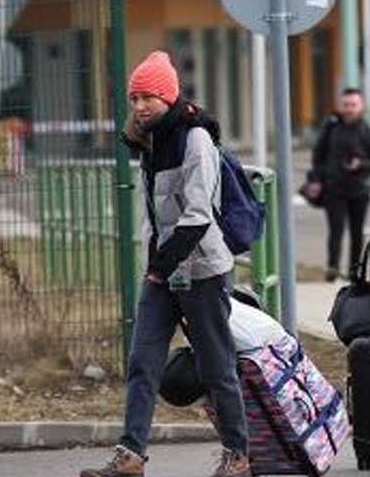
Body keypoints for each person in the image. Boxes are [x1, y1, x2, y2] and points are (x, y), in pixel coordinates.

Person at [82, 51, 250, 477]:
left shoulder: (194, 139)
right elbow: (155, 212)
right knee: (142, 361)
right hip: (162, 270)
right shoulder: (150, 140)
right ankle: (131, 454)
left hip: (203, 270)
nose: (139, 106)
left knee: (216, 366)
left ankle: (238, 455)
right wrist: (156, 265)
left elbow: (198, 214)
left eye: (149, 98)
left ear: (169, 97)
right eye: (134, 98)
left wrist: (162, 262)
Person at [310, 88, 370, 282]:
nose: (349, 109)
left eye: (353, 105)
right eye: (346, 105)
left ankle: (354, 271)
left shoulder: (369, 132)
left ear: (361, 107)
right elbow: (318, 156)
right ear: (340, 106)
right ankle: (332, 268)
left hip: (360, 190)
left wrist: (361, 164)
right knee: (336, 230)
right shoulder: (331, 129)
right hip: (334, 188)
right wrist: (316, 180)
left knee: (357, 232)